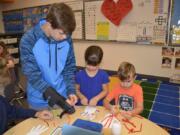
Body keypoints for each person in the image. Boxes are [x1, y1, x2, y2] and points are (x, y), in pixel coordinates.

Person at [20, 3, 77, 110]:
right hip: (38, 101)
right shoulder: (29, 40)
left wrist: (70, 91)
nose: (65, 37)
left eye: (67, 34)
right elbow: (32, 75)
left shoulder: (66, 39)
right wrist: (53, 95)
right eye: (61, 33)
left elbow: (69, 68)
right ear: (50, 23)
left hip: (63, 97)